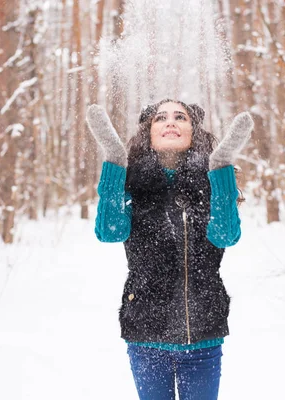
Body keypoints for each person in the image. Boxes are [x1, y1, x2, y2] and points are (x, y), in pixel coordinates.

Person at [87, 99, 253, 400]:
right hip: (146, 336)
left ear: (194, 131)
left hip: (203, 335)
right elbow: (109, 232)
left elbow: (226, 235)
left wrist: (222, 167)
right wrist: (114, 161)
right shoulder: (133, 183)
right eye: (160, 118)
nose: (171, 122)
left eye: (181, 117)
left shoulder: (210, 182)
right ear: (148, 133)